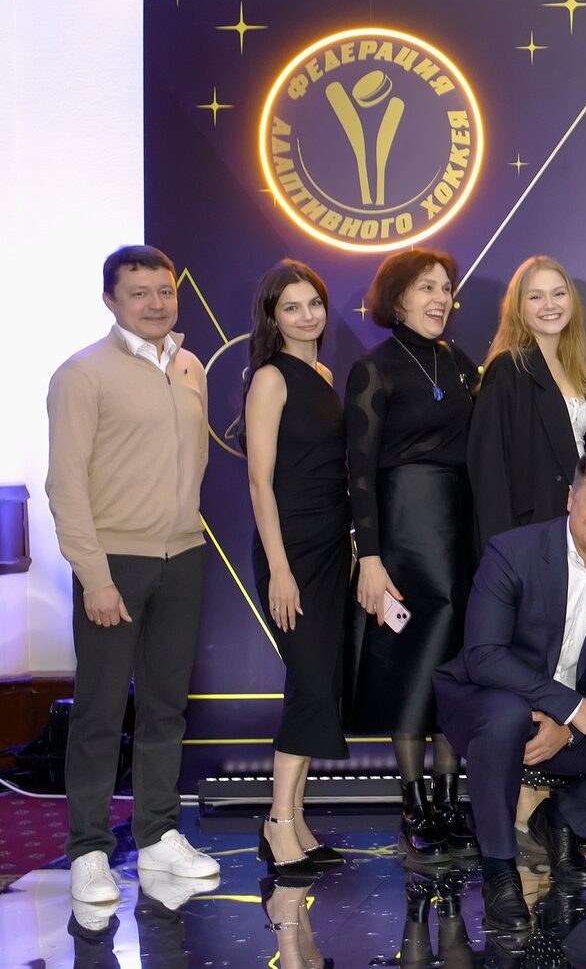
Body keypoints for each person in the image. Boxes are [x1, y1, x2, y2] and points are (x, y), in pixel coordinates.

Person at [46, 245, 220, 904]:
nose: (155, 303)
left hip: (183, 557)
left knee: (165, 707)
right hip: (113, 563)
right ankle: (88, 849)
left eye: (164, 291)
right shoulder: (81, 374)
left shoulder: (190, 366)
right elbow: (65, 485)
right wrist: (94, 575)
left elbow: (195, 461)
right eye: (139, 293)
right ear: (110, 301)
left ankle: (156, 836)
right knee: (98, 710)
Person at [433, 450, 586, 931]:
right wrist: (574, 709)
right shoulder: (511, 551)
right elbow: (485, 655)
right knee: (506, 715)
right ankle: (499, 870)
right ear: (570, 498)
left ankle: (559, 821)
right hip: (484, 706)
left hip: (565, 721)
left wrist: (570, 727)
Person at [343, 248, 479, 862]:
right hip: (402, 531)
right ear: (398, 298)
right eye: (427, 287)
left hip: (461, 529)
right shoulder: (373, 369)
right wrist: (369, 557)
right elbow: (359, 471)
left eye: (446, 288)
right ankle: (414, 802)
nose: (440, 298)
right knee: (411, 666)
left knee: (456, 667)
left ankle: (449, 800)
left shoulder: (460, 362)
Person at [240, 260, 352, 880]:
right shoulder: (270, 379)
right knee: (310, 683)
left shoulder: (325, 376)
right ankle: (278, 821)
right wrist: (280, 570)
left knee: (318, 683)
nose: (307, 316)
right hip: (292, 551)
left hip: (332, 548)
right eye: (292, 307)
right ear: (273, 318)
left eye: (313, 304)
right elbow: (260, 482)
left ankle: (296, 819)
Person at [468, 255, 586, 551]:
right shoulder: (509, 368)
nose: (549, 305)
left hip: (579, 528)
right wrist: (500, 551)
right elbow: (489, 467)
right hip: (531, 533)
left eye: (558, 293)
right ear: (518, 307)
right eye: (536, 297)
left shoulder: (578, 370)